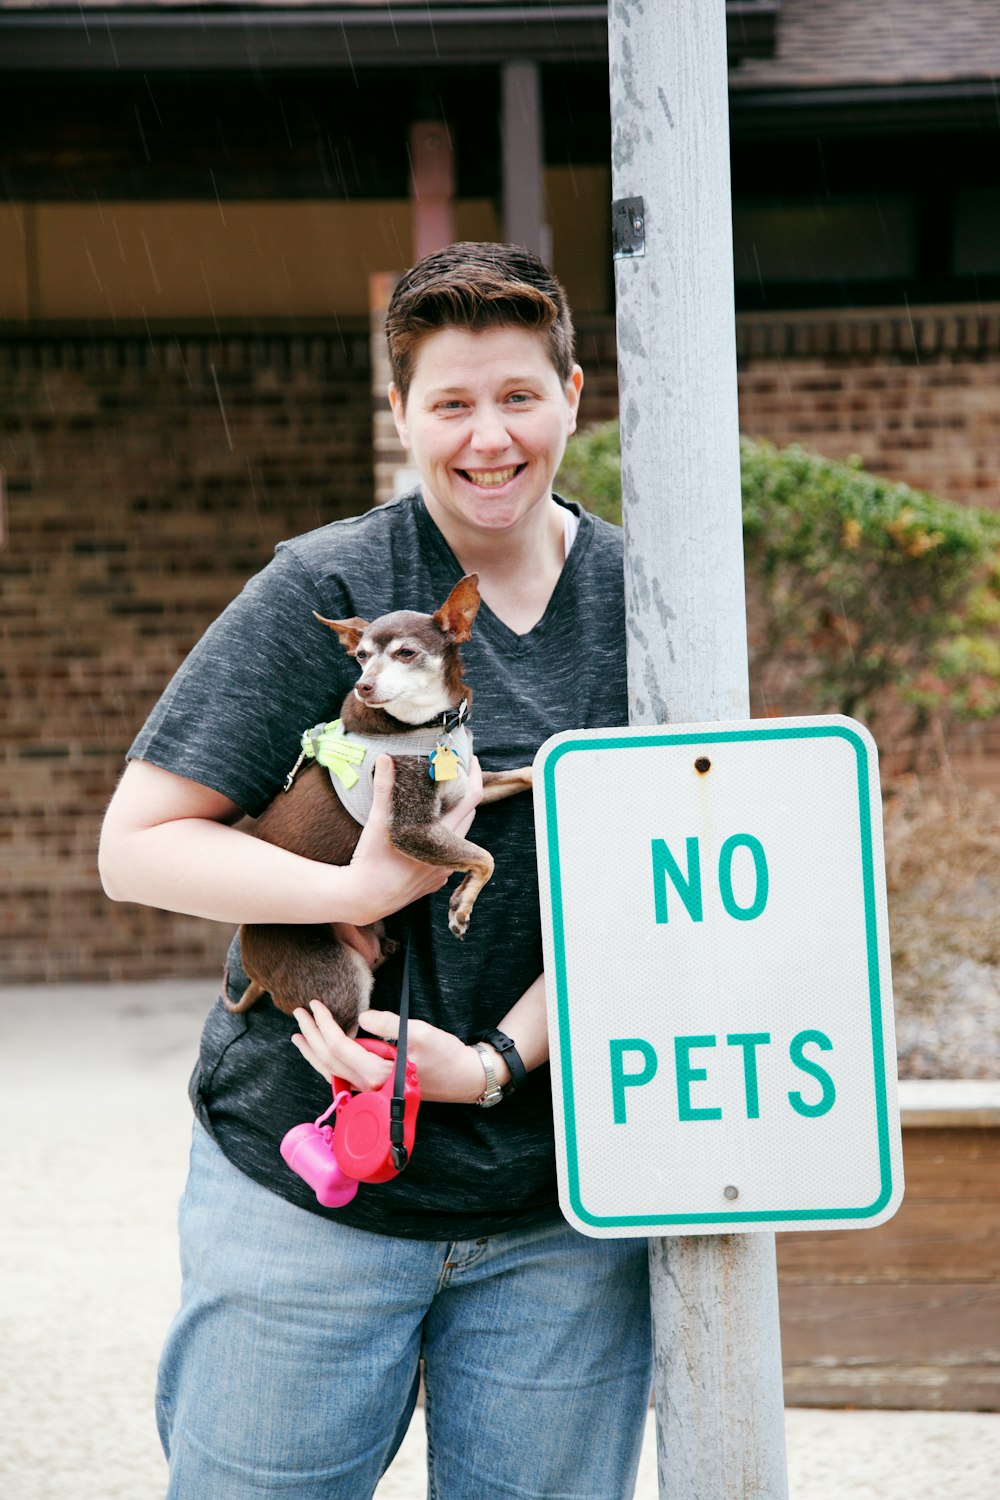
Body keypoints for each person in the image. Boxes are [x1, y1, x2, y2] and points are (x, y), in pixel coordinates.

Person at [99, 241, 653, 1500]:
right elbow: (136, 848)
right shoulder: (330, 585)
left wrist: (498, 1062)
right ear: (399, 413)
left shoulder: (644, 598)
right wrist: (352, 894)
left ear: (574, 394)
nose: (488, 438)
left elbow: (653, 901)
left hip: (560, 1221)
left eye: (518, 396)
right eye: (450, 403)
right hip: (303, 1202)